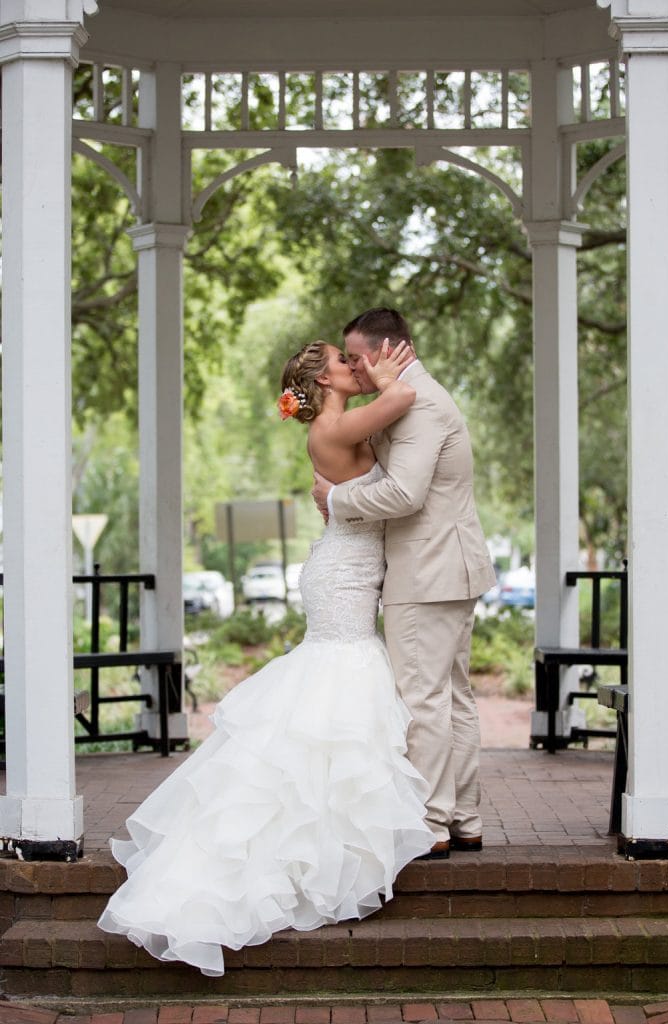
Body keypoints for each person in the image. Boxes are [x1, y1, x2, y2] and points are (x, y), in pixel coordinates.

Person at [97, 339, 433, 977]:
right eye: (344, 362)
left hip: (349, 562)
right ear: (321, 381)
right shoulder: (333, 427)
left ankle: (329, 834)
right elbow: (407, 397)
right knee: (345, 671)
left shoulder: (335, 424)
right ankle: (316, 843)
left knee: (339, 683)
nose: (354, 367)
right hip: (343, 572)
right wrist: (389, 376)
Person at [312, 308, 496, 859]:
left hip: (428, 572)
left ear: (387, 350)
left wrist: (336, 500)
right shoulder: (409, 395)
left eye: (357, 357)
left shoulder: (421, 403)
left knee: (423, 700)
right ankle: (464, 818)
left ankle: (432, 821)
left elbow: (404, 495)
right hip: (445, 567)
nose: (355, 369)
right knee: (452, 697)